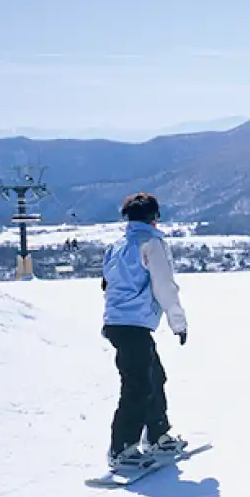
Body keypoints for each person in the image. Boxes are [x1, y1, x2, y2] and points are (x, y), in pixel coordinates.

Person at [99, 192, 189, 471]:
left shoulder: (117, 245)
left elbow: (105, 282)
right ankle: (122, 449)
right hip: (133, 323)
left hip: (117, 322)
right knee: (138, 385)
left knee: (154, 376)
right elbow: (164, 285)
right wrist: (178, 323)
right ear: (154, 218)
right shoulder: (151, 243)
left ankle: (158, 434)